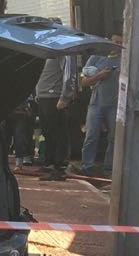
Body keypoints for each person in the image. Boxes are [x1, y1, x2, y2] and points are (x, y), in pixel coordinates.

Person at [78, 33, 123, 177]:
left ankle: (109, 167)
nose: (116, 46)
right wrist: (100, 76)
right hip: (96, 103)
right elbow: (83, 82)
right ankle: (87, 166)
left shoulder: (125, 60)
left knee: (114, 137)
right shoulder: (96, 58)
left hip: (115, 104)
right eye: (115, 41)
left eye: (120, 43)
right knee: (91, 135)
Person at [35, 51, 77, 181]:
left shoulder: (65, 52)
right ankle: (50, 163)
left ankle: (60, 167)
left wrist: (65, 97)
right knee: (47, 132)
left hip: (54, 97)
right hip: (43, 97)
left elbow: (69, 74)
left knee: (59, 133)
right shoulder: (49, 52)